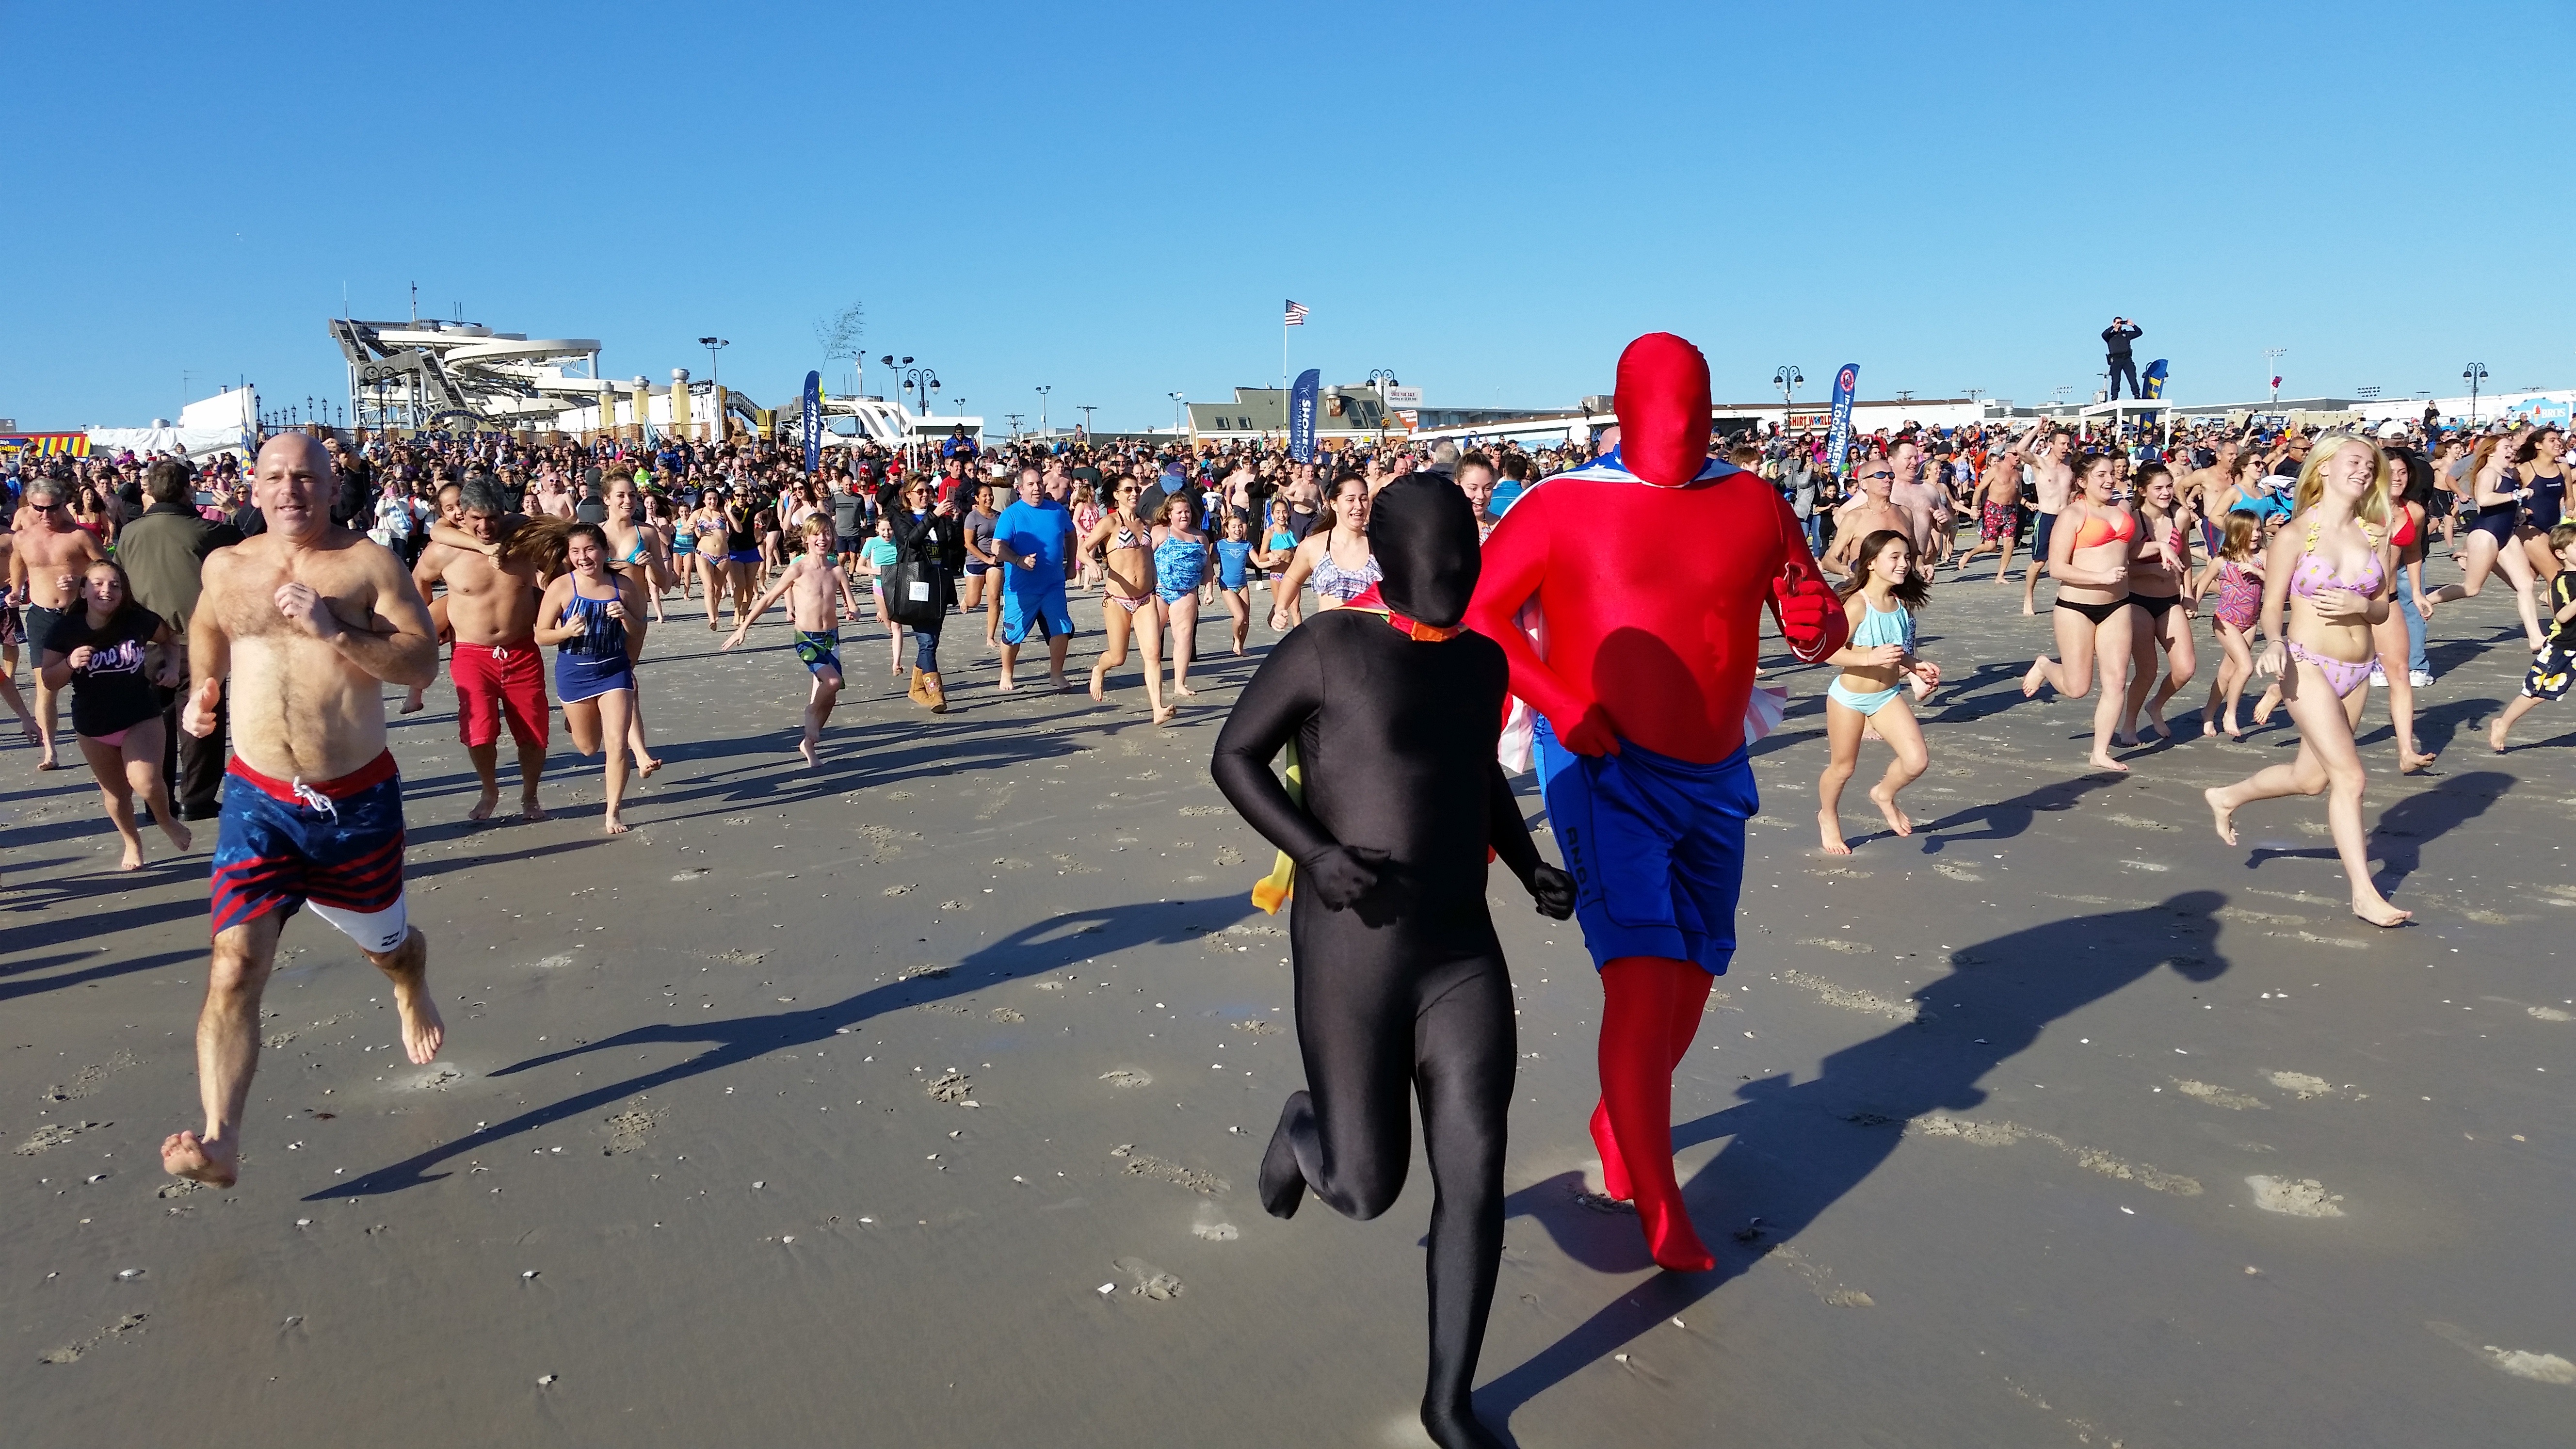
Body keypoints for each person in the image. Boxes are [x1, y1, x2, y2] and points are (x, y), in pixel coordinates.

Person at [1463, 332, 1846, 1274]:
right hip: (1598, 765)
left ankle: (1617, 1116)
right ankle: (1656, 1196)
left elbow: (1815, 614)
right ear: (1622, 413)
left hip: (1717, 773)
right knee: (1640, 973)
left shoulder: (1755, 501)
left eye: (1696, 414)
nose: (1679, 432)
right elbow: (1479, 613)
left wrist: (1815, 624)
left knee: (1696, 970)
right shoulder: (1560, 506)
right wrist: (1558, 701)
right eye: (1660, 413)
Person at [1211, 475, 1573, 1449]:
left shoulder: (1484, 666)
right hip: (1352, 950)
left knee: (1476, 1172)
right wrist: (1315, 852)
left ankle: (1449, 1401)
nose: (1454, 577)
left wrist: (1532, 863)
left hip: (1460, 949)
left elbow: (1477, 780)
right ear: (1393, 561)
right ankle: (1304, 1130)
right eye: (1439, 560)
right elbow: (1235, 756)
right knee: (1368, 1190)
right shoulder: (1328, 648)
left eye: (1468, 560)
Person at [164, 434, 443, 1188]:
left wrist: (336, 631)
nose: (291, 490)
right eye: (276, 478)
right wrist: (202, 687)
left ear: (331, 486)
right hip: (257, 799)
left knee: (387, 948)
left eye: (307, 479)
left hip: (354, 804)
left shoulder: (368, 565)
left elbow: (422, 661)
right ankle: (222, 1139)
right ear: (252, 488)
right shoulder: (226, 566)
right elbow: (207, 626)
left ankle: (409, 984)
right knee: (234, 965)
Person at [2204, 435, 2408, 928]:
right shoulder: (2294, 535)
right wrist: (2272, 644)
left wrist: (2364, 606)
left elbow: (2381, 605)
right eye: (2354, 461)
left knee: (2310, 780)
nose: (2364, 470)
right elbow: (2271, 605)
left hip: (2358, 670)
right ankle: (2363, 893)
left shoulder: (2374, 533)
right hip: (2304, 663)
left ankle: (2227, 795)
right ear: (2322, 468)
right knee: (2351, 778)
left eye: (2369, 464)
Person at [412, 480, 555, 822]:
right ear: (462, 515)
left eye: (492, 518)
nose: (485, 527)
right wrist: (433, 619)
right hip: (471, 653)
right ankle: (489, 789)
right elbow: (419, 579)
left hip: (521, 649)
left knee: (534, 733)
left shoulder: (523, 538)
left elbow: (560, 568)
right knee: (479, 731)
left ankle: (530, 796)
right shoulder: (445, 550)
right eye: (476, 518)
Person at [39, 558, 191, 869]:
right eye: (97, 584)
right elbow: (49, 681)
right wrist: (69, 663)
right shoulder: (65, 630)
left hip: (140, 715)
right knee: (116, 794)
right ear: (83, 591)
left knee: (146, 782)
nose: (106, 590)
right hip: (93, 724)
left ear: (124, 592)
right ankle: (132, 843)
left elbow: (170, 640)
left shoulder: (138, 620)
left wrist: (173, 667)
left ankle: (166, 821)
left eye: (115, 585)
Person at [116, 459, 242, 820]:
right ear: (188, 490)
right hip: (196, 639)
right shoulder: (208, 531)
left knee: (152, 725)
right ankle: (197, 798)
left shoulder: (131, 533)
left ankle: (157, 799)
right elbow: (246, 547)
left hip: (145, 641)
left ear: (151, 493)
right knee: (203, 720)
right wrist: (234, 512)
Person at [1817, 531, 1936, 853]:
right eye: (1894, 557)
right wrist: (1868, 657)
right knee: (1843, 767)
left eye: (1907, 558)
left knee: (1916, 761)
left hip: (1887, 696)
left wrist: (1916, 665)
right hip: (1849, 698)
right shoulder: (1857, 605)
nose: (1904, 564)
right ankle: (1827, 815)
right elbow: (1829, 652)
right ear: (1871, 563)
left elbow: (1896, 652)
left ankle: (1884, 793)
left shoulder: (1899, 605)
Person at [2020, 452, 2138, 773]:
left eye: (2112, 473)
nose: (2109, 480)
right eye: (2101, 475)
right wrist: (2100, 578)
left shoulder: (2124, 508)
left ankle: (2100, 752)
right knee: (2077, 688)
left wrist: (2167, 550)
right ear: (2083, 482)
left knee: (2116, 682)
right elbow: (2057, 568)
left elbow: (2135, 551)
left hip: (2118, 606)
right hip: (2076, 607)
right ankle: (2045, 665)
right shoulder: (2072, 514)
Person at [533, 523, 647, 832]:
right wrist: (565, 632)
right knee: (588, 747)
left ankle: (613, 812)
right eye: (576, 552)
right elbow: (541, 635)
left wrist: (626, 619)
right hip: (575, 673)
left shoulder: (623, 585)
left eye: (589, 549)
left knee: (617, 744)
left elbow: (640, 630)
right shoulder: (561, 586)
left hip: (614, 670)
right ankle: (575, 720)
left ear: (604, 551)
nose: (583, 557)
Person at [10, 477, 108, 769]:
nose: (46, 515)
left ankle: (105, 741)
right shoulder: (24, 537)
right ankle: (50, 751)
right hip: (42, 616)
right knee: (45, 687)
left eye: (52, 509)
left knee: (94, 681)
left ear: (62, 505)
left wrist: (82, 580)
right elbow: (18, 560)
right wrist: (16, 589)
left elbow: (109, 569)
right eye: (39, 509)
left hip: (79, 614)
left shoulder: (79, 536)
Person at [2422, 426, 2545, 650]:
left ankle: (2536, 638)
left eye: (2511, 447)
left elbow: (2504, 502)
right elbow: (2484, 500)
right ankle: (2424, 601)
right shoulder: (2489, 472)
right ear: (2491, 453)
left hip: (2506, 535)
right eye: (2506, 448)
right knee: (2471, 589)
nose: (2511, 451)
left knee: (2526, 583)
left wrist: (2518, 510)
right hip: (2485, 535)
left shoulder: (2509, 474)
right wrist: (2517, 495)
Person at [2115, 463, 2199, 744]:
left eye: (2169, 487)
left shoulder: (2181, 516)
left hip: (2170, 600)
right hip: (2137, 600)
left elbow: (2184, 556)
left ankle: (2156, 706)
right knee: (2147, 670)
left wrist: (2189, 593)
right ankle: (2129, 724)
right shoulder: (2133, 518)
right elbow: (2121, 563)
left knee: (2185, 668)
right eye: (2158, 488)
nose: (2166, 493)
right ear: (2143, 491)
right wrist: (2149, 570)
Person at [1083, 475, 1167, 718]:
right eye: (1128, 490)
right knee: (1118, 657)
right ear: (1117, 495)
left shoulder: (1146, 523)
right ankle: (1099, 669)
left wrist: (1155, 582)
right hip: (1117, 599)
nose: (1134, 493)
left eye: (1137, 489)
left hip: (1146, 598)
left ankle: (1157, 709)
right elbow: (1083, 549)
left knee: (1153, 654)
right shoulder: (1109, 522)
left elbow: (1147, 559)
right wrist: (1090, 564)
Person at [2489, 523, 2576, 753]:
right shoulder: (2563, 582)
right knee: (2537, 692)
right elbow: (2563, 615)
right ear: (2561, 554)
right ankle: (2503, 722)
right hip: (2564, 647)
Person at [993, 467, 1077, 694]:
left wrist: (1071, 564)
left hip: (1053, 583)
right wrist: (1018, 560)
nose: (1037, 488)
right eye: (1030, 485)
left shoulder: (1058, 511)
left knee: (1061, 628)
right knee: (1013, 634)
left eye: (1039, 483)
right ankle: (1007, 673)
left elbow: (1071, 534)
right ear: (1020, 489)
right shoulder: (1011, 515)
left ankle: (1057, 674)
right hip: (1021, 587)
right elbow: (997, 547)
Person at [875, 475, 951, 711]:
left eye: (928, 491)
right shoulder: (901, 516)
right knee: (926, 640)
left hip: (938, 582)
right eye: (920, 491)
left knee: (933, 640)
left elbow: (950, 547)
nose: (925, 495)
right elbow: (911, 541)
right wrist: (934, 516)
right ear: (908, 494)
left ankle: (916, 688)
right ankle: (935, 692)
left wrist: (954, 522)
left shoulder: (938, 516)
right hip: (916, 582)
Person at [2195, 510, 2268, 740]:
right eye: (2252, 531)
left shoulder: (2263, 557)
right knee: (2245, 667)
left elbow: (2281, 585)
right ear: (2237, 534)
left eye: (2259, 529)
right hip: (2226, 621)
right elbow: (2202, 584)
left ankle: (2208, 712)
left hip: (2250, 622)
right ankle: (2230, 713)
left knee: (2227, 673)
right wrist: (2191, 606)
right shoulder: (2222, 562)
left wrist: (2258, 572)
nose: (2257, 535)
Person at [1272, 474, 1379, 623]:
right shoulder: (1314, 546)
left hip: (1372, 640)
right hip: (1328, 638)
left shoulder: (1380, 545)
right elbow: (1292, 578)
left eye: (1363, 499)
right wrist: (1280, 608)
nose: (1359, 506)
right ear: (1334, 504)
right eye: (1350, 500)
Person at [1149, 486, 1209, 699]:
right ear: (1169, 514)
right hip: (1159, 591)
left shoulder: (1200, 537)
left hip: (1186, 593)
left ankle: (1179, 683)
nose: (1184, 515)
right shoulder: (1159, 532)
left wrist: (1209, 588)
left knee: (1184, 637)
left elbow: (1207, 566)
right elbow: (1145, 560)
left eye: (1187, 512)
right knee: (1152, 638)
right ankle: (1152, 674)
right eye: (1179, 512)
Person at [2019, 431, 2075, 614]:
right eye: (2063, 444)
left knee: (2072, 560)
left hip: (2066, 517)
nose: (2066, 448)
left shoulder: (2071, 465)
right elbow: (2020, 450)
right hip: (2046, 516)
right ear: (2052, 444)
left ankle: (2067, 597)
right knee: (2039, 562)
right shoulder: (2041, 463)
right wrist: (2037, 428)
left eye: (2068, 444)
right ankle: (2028, 597)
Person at [1212, 512, 1256, 655]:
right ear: (1227, 529)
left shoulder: (1246, 545)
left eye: (1240, 527)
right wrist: (1211, 575)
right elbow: (1209, 561)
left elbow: (1258, 563)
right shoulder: (1220, 545)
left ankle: (1241, 647)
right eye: (1234, 527)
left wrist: (1271, 561)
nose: (1238, 530)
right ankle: (1236, 640)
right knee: (1239, 617)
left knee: (1246, 620)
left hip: (1243, 585)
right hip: (1227, 586)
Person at [2102, 316, 2143, 401]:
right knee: (2116, 380)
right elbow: (2103, 335)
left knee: (2132, 377)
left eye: (2121, 323)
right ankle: (2114, 397)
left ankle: (2136, 394)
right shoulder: (2110, 336)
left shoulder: (2126, 334)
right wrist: (2113, 327)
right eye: (2118, 323)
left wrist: (2133, 325)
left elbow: (2139, 333)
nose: (2120, 324)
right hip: (2116, 360)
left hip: (2127, 359)